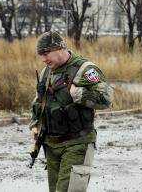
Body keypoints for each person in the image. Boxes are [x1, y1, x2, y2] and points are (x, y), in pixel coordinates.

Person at [29, 31, 113, 192]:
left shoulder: (84, 69)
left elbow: (107, 98)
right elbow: (40, 100)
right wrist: (35, 124)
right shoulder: (47, 71)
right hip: (52, 145)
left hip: (77, 144)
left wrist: (80, 94)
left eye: (46, 53)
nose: (43, 59)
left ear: (60, 48)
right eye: (41, 55)